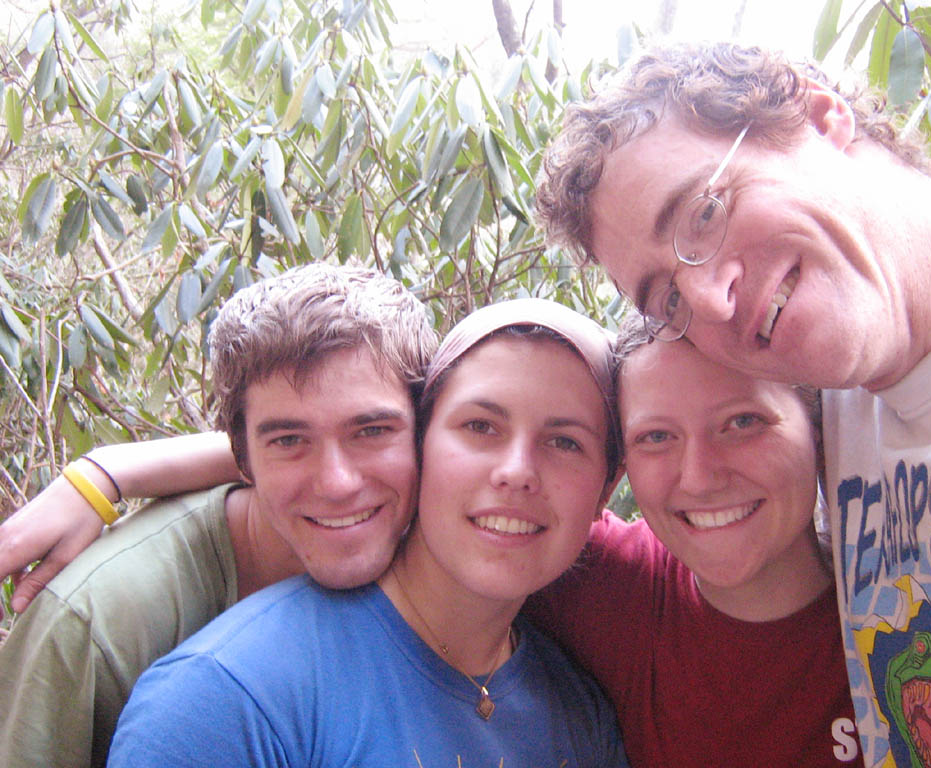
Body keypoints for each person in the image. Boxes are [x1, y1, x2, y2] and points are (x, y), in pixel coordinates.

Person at [535, 41, 931, 768]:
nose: (709, 300)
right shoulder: (846, 391)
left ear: (820, 116)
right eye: (667, 297)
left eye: (705, 210)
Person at [107, 299, 629, 767]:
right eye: (480, 427)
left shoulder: (580, 713)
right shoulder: (228, 702)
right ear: (419, 445)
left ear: (606, 491)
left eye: (564, 442)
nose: (517, 471)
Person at [0, 263, 436, 768]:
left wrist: (113, 471)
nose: (337, 483)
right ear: (243, 455)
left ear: (423, 434)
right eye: (289, 441)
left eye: (372, 431)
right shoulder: (96, 625)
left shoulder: (455, 548)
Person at [525, 310, 862, 767]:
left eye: (743, 422)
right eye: (657, 436)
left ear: (818, 434)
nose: (700, 479)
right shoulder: (608, 586)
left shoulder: (918, 610)